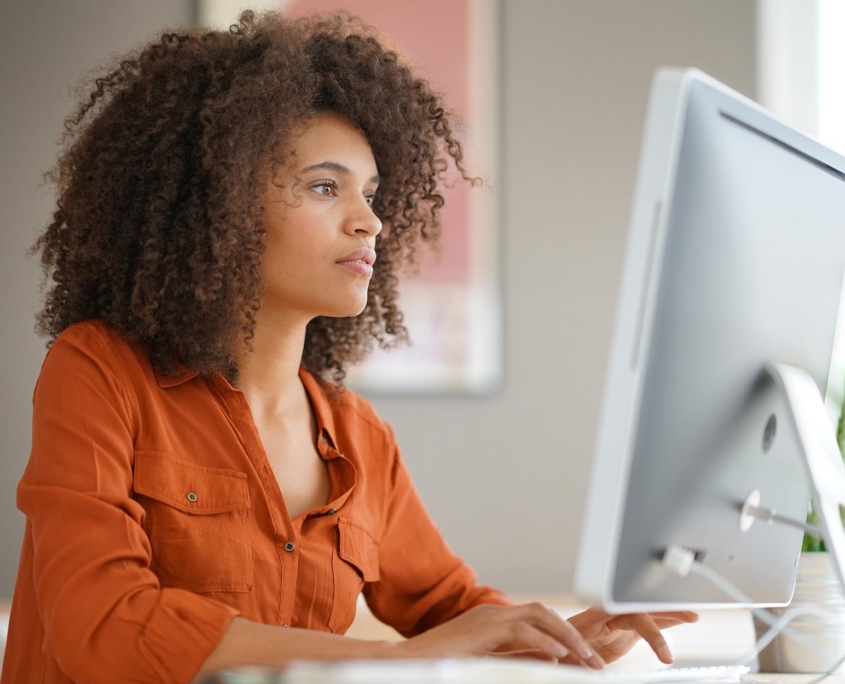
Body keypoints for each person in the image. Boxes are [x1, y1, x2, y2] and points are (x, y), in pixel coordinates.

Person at [0, 10, 697, 684]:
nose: (368, 222)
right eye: (325, 187)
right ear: (220, 207)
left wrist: (566, 640)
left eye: (372, 193)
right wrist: (403, 663)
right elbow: (102, 627)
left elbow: (454, 615)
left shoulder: (360, 440)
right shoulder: (98, 371)